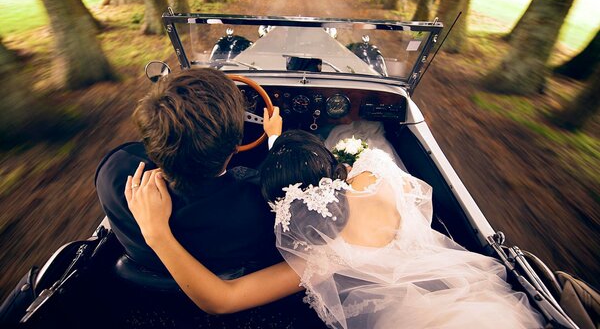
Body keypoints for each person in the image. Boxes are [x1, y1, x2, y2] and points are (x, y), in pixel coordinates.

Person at [127, 129, 545, 329]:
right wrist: (280, 141)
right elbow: (352, 155)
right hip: (466, 298)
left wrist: (156, 233)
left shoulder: (320, 255)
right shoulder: (377, 172)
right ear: (334, 168)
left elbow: (221, 300)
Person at [96, 68, 325, 327]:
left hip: (147, 301)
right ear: (238, 142)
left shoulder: (113, 173)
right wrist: (273, 136)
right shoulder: (261, 202)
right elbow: (280, 182)